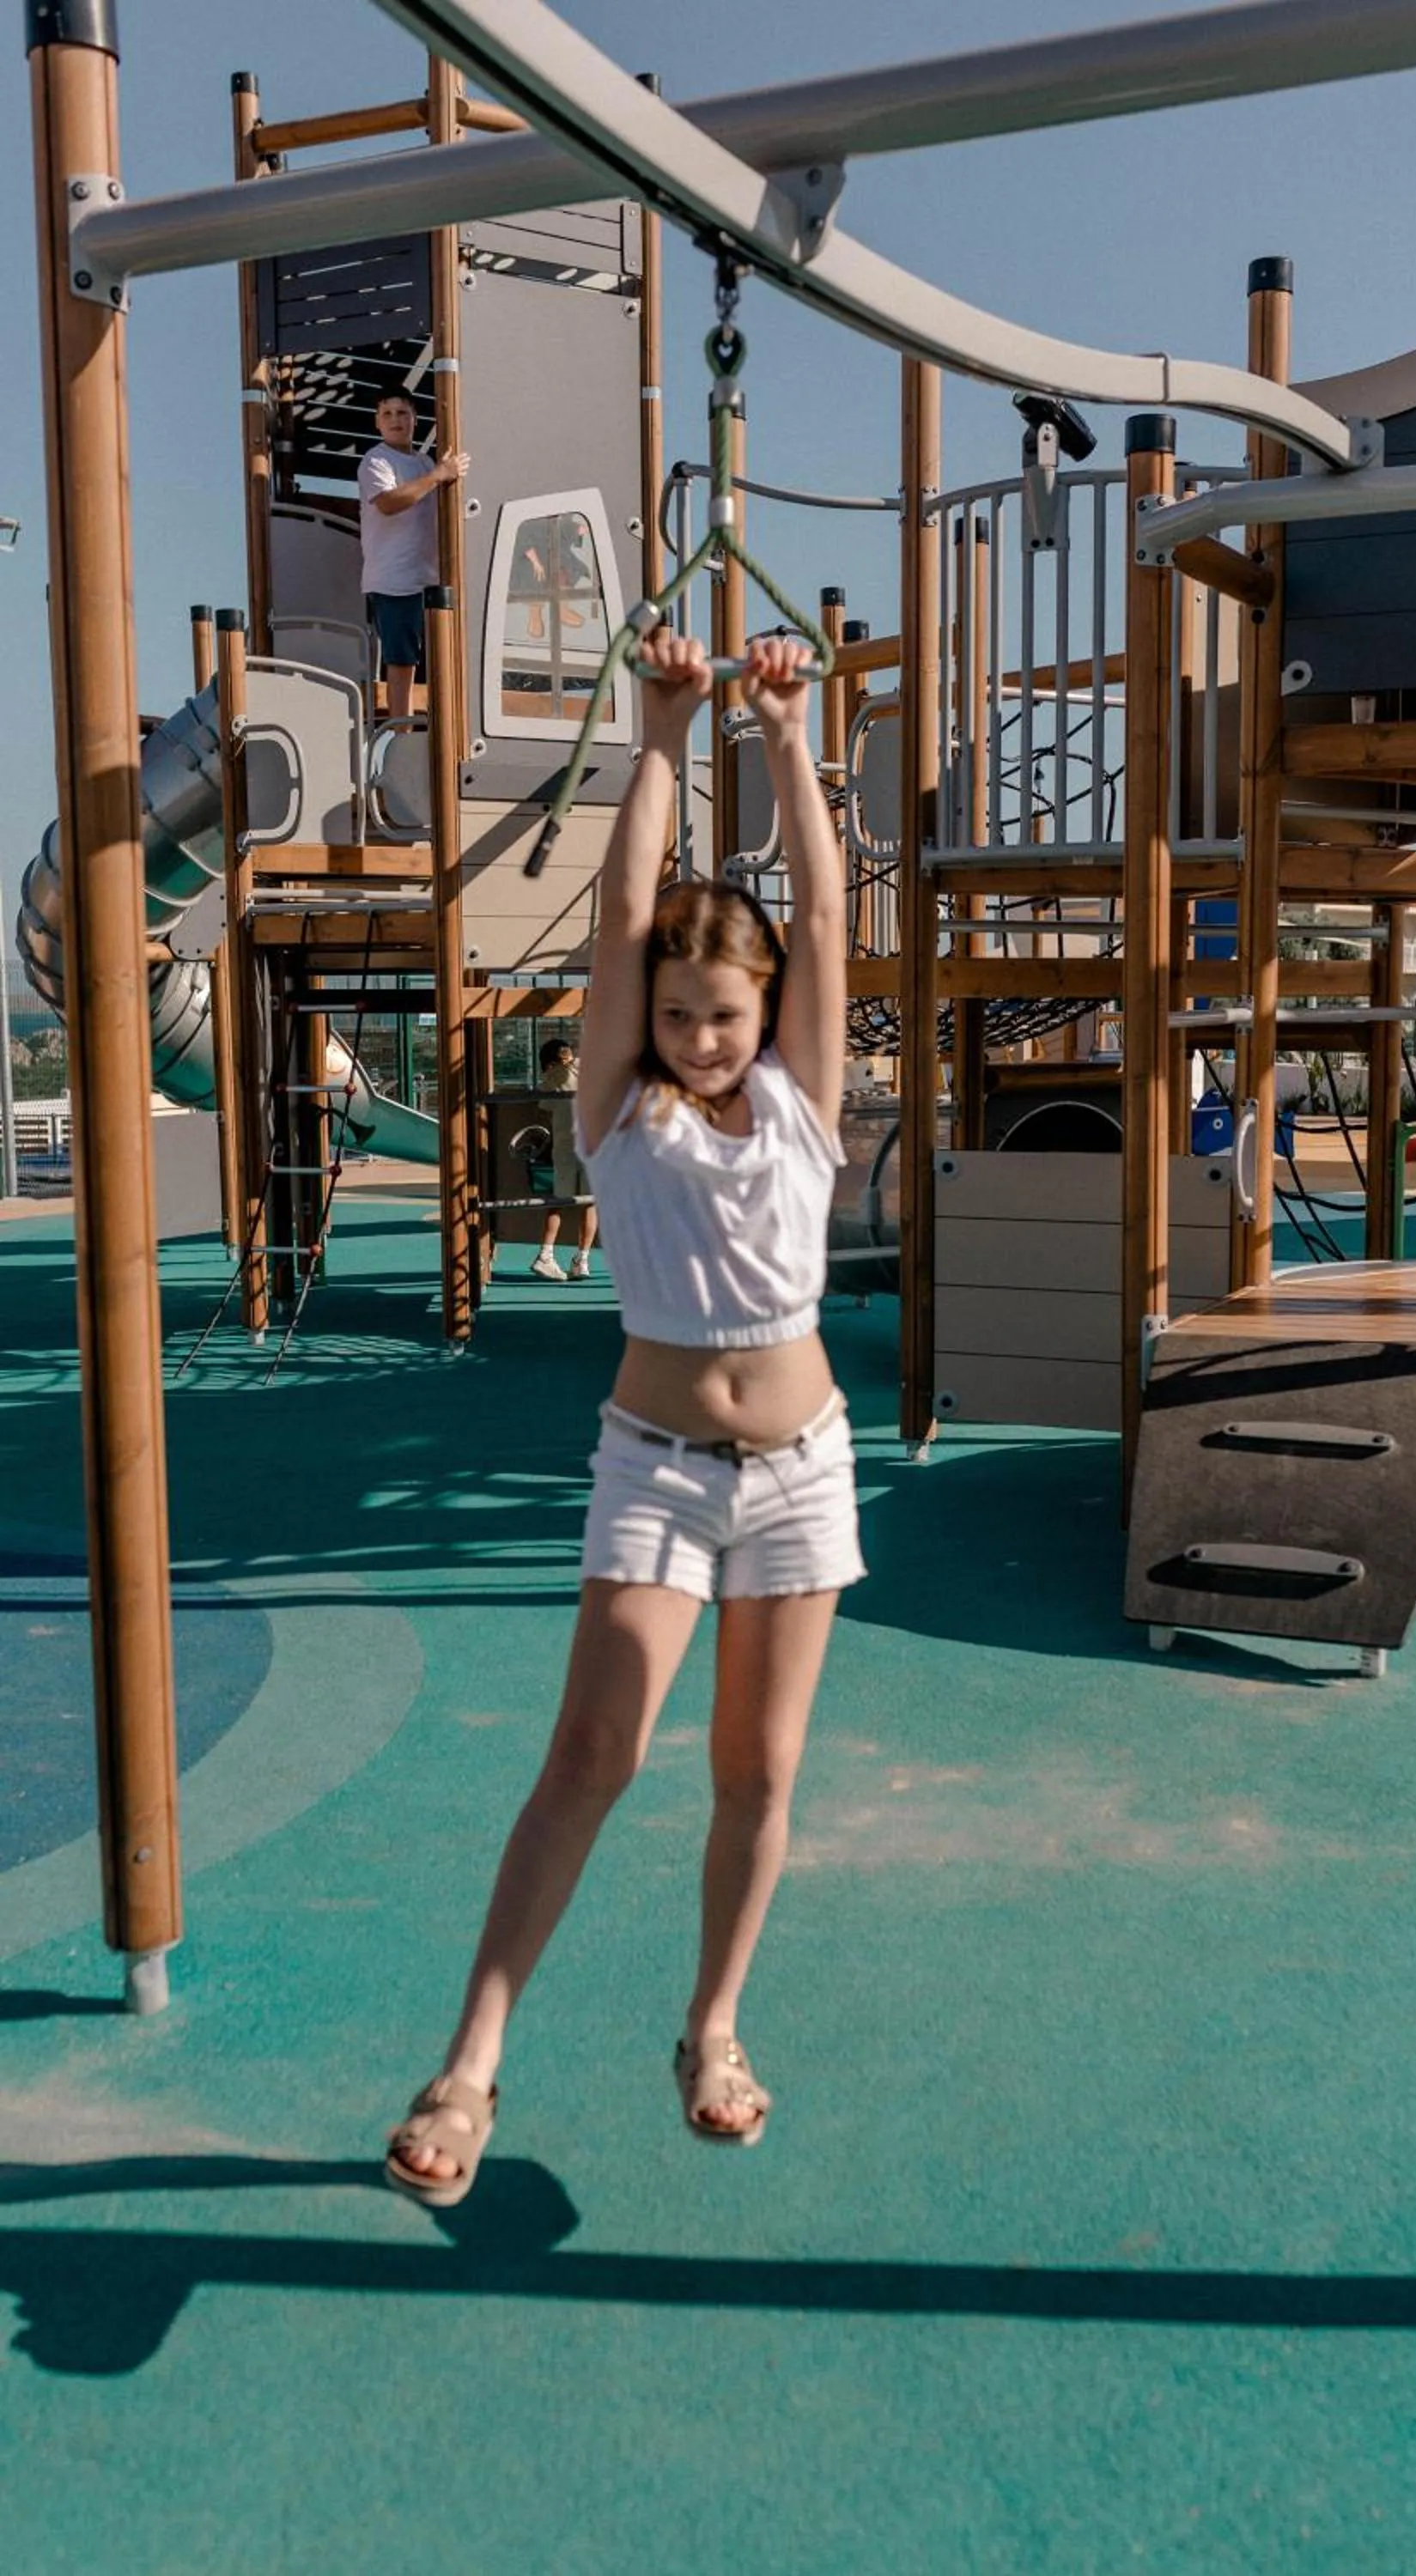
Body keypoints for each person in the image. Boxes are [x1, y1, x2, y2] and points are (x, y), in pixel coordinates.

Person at [386, 629, 862, 2205]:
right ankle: (470, 2062)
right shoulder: (620, 1107)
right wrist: (661, 732)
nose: (702, 1036)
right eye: (680, 1013)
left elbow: (830, 913)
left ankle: (713, 2032)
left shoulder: (801, 1098)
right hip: (654, 1469)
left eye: (727, 1012)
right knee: (594, 1750)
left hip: (799, 1473)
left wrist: (789, 736)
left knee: (758, 1774)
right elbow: (611, 925)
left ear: (765, 1010)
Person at [357, 394, 470, 722]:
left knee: (443, 660)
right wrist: (439, 475)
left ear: (414, 419)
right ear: (378, 422)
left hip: (431, 579)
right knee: (402, 663)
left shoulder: (423, 463)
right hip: (395, 581)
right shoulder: (375, 462)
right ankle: (400, 736)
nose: (395, 420)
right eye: (387, 414)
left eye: (402, 413)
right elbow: (389, 503)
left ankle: (443, 729)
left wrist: (441, 472)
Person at [532, 1034, 597, 1283]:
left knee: (558, 1201)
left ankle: (546, 1254)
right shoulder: (589, 1069)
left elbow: (543, 1105)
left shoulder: (552, 1078)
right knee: (590, 1203)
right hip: (592, 1147)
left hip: (565, 1149)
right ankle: (582, 1259)